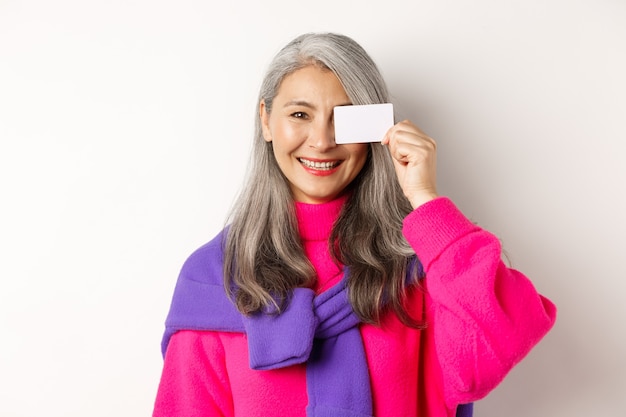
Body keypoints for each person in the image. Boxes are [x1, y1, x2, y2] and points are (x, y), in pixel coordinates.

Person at [152, 32, 556, 417]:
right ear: (266, 120)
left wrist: (424, 198)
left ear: (374, 130)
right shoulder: (214, 278)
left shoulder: (419, 267)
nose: (322, 140)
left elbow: (497, 338)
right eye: (299, 115)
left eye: (343, 119)